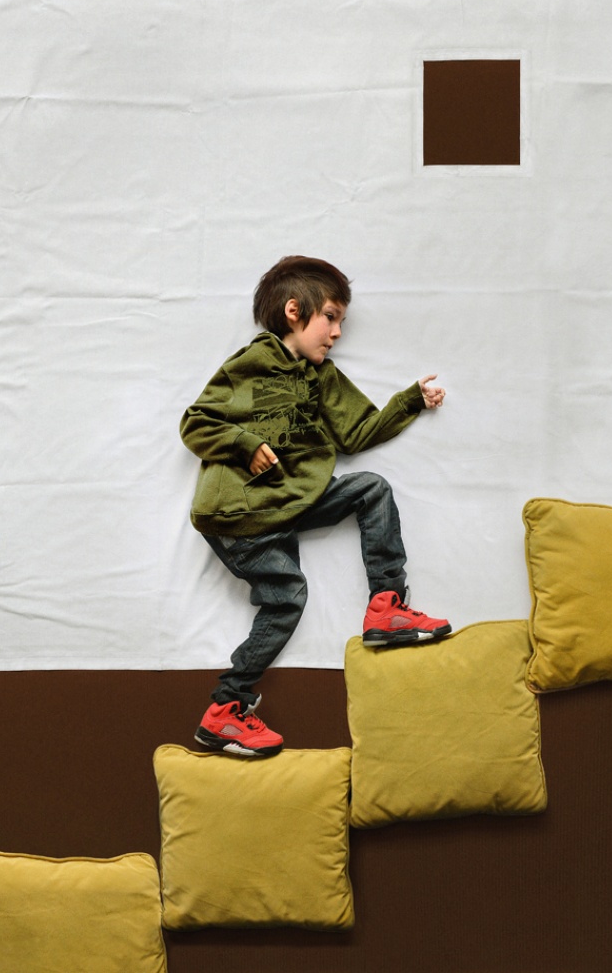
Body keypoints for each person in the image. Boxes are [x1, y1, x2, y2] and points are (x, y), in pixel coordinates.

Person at [180, 255, 451, 758]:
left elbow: (357, 433)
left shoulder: (322, 376)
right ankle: (225, 709)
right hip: (240, 517)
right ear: (294, 311)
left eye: (341, 321)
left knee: (370, 488)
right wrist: (243, 444)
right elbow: (195, 422)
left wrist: (410, 400)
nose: (338, 333)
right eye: (330, 317)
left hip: (293, 502)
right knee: (288, 598)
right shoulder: (252, 364)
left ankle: (386, 608)